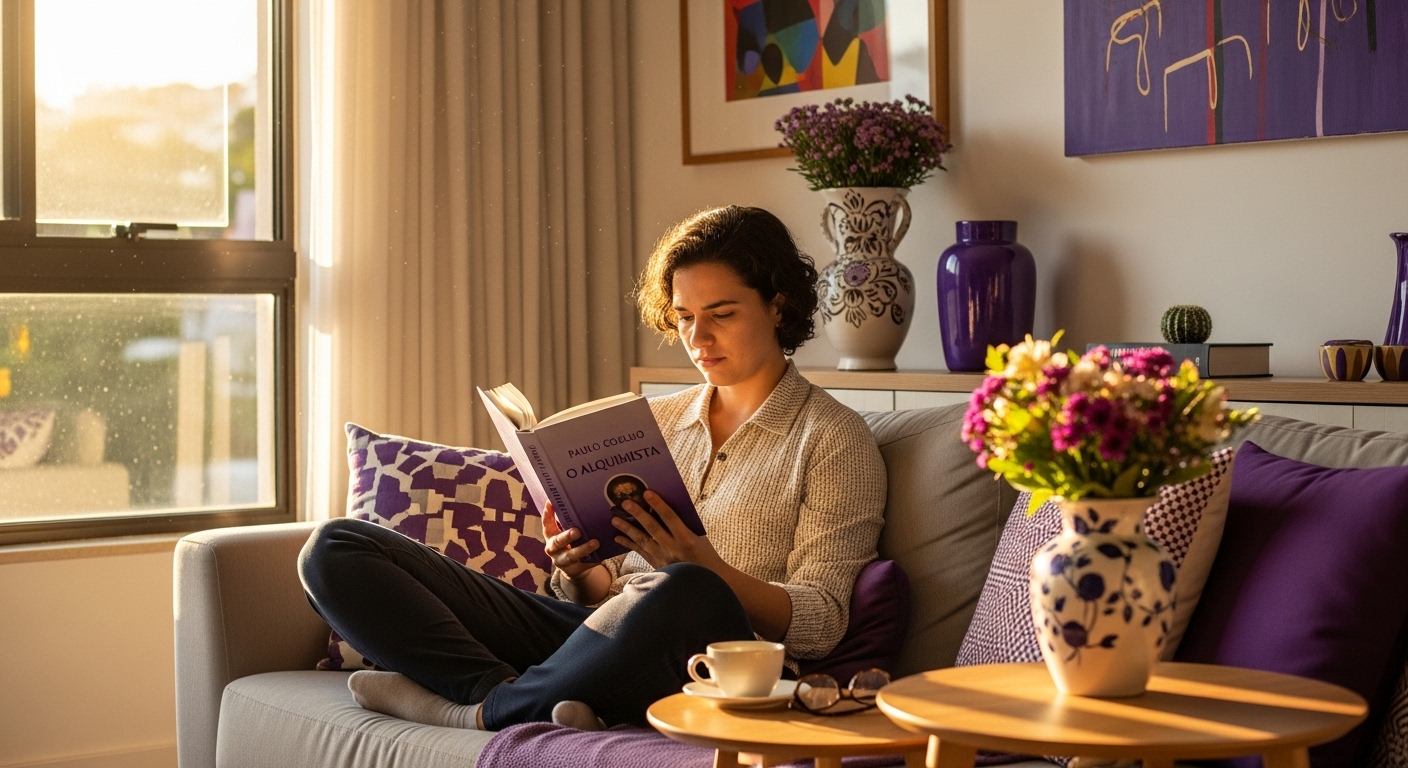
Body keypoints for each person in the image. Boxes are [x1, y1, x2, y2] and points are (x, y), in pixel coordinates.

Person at [298, 205, 886, 731]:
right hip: (593, 638)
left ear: (778, 306)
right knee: (335, 549)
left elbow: (823, 620)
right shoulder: (655, 421)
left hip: (709, 656)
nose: (697, 337)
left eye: (721, 314)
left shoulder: (833, 438)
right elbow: (599, 600)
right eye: (682, 317)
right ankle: (509, 695)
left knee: (688, 588)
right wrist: (578, 569)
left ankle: (484, 709)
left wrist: (707, 567)